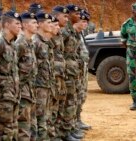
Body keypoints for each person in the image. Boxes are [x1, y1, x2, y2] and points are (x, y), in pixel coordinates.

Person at [0, 10, 22, 140]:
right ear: (7, 25)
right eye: (17, 24)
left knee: (11, 127)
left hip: (12, 94)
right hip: (2, 95)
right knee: (2, 129)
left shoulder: (12, 44)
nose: (20, 27)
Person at [14, 12, 38, 141]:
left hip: (30, 90)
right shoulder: (20, 43)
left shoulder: (30, 43)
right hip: (22, 92)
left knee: (30, 125)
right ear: (25, 25)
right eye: (34, 23)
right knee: (23, 126)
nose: (37, 25)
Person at [61, 4, 83, 141]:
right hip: (66, 73)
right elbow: (59, 53)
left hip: (72, 72)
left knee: (72, 101)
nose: (79, 16)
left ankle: (69, 129)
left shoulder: (72, 31)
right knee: (67, 102)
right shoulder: (64, 32)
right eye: (76, 13)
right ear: (69, 15)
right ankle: (65, 132)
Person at [32, 12, 54, 140]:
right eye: (48, 22)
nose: (50, 25)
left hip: (45, 85)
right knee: (39, 116)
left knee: (44, 115)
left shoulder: (44, 41)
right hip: (37, 86)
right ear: (40, 24)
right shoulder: (35, 41)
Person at [51, 5, 69, 140]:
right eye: (65, 16)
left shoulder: (61, 34)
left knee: (60, 106)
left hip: (61, 75)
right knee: (51, 109)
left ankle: (60, 133)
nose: (67, 19)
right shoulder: (48, 37)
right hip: (50, 79)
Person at [73, 9, 92, 131]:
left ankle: (77, 119)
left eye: (86, 22)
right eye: (83, 21)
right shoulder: (73, 34)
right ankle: (74, 121)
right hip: (75, 70)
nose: (85, 24)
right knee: (75, 96)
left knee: (81, 95)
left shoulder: (80, 34)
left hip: (82, 69)